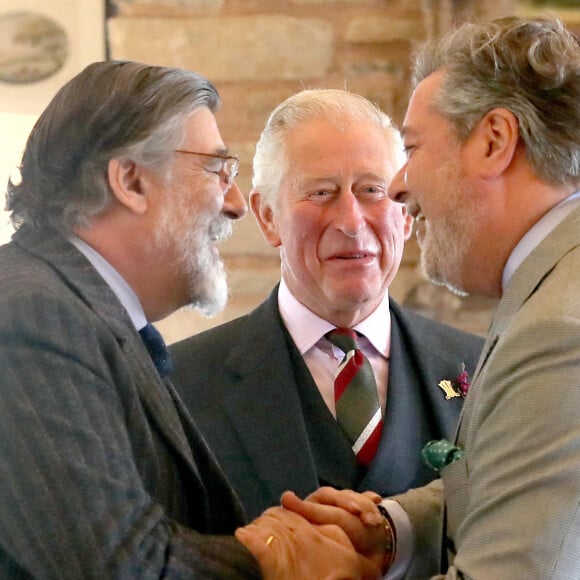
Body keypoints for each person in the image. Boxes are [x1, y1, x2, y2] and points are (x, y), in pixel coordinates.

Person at [0, 60, 383, 579]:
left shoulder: (82, 316)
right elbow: (116, 564)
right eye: (217, 170)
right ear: (131, 180)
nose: (234, 204)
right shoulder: (32, 316)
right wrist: (279, 553)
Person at [286, 14, 580, 579]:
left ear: (494, 141)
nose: (399, 186)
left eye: (414, 147)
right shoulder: (549, 288)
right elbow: (516, 486)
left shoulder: (560, 327)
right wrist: (390, 527)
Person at [170, 88, 484, 520]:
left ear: (407, 213)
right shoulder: (179, 385)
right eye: (321, 193)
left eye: (372, 190)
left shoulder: (482, 368)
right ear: (267, 216)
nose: (353, 223)